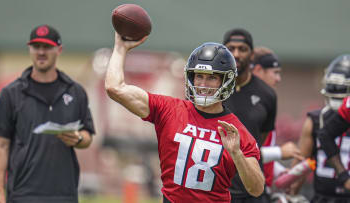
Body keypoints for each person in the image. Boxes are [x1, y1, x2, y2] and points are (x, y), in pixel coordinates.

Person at [105, 32, 265, 202]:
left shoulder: (235, 131)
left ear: (225, 81)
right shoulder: (169, 110)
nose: (203, 84)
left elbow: (256, 189)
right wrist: (120, 49)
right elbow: (115, 88)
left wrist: (236, 153)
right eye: (199, 76)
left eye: (211, 78)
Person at [0, 24, 95, 203]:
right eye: (36, 47)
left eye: (47, 47)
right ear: (29, 49)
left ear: (59, 49)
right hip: (22, 193)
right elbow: (0, 146)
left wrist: (77, 138)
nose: (41, 52)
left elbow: (87, 135)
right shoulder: (12, 93)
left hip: (64, 193)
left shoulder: (75, 91)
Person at [222, 28, 277, 202]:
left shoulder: (267, 94)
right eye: (231, 48)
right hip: (217, 188)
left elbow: (260, 138)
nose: (236, 54)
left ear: (251, 54)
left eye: (242, 49)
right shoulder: (212, 88)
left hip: (251, 190)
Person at [300, 54, 350, 202]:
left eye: (340, 87)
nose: (336, 90)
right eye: (333, 87)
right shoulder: (316, 119)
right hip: (323, 197)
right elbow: (301, 165)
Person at [252, 46, 303, 190]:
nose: (278, 79)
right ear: (258, 71)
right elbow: (242, 154)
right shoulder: (249, 107)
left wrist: (279, 171)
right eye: (275, 73)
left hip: (260, 189)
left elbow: (261, 151)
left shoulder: (266, 102)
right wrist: (279, 152)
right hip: (244, 192)